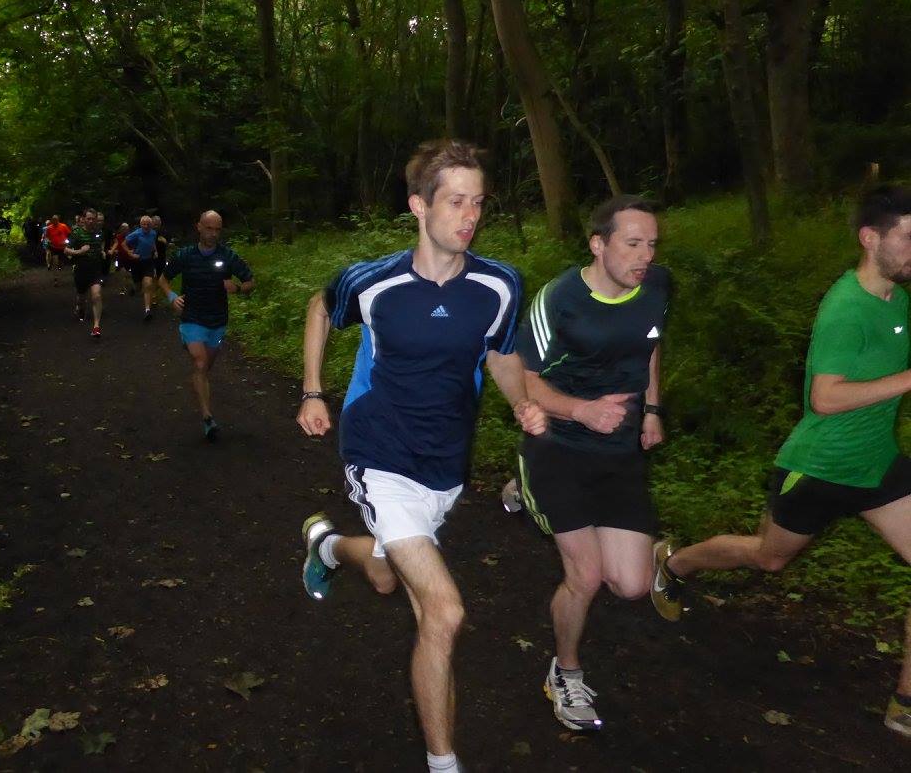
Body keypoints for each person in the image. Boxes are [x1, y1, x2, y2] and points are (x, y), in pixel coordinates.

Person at [296, 140, 546, 773]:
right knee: (444, 609)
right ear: (418, 205)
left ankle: (329, 547)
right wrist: (313, 391)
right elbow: (321, 306)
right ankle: (443, 763)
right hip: (378, 451)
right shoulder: (374, 282)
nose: (470, 216)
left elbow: (500, 352)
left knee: (386, 577)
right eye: (456, 202)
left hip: (445, 465)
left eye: (478, 203)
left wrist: (522, 401)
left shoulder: (498, 284)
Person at [651, 185, 911, 739]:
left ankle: (906, 701)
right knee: (769, 558)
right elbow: (825, 398)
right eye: (909, 237)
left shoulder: (897, 299)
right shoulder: (846, 308)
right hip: (819, 467)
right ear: (871, 238)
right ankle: (675, 563)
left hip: (876, 464)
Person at [513, 194, 669, 733]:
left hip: (619, 453)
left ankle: (517, 489)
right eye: (633, 244)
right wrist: (582, 411)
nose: (645, 256)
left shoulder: (656, 286)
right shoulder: (559, 299)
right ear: (598, 245)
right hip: (557, 446)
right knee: (586, 576)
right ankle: (566, 671)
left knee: (631, 585)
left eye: (652, 244)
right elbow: (524, 381)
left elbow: (651, 344)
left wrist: (652, 409)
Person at [156, 210, 254, 441]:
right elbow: (163, 278)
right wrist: (172, 297)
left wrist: (238, 288)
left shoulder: (228, 256)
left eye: (217, 230)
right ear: (198, 227)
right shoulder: (185, 255)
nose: (213, 234)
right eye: (209, 228)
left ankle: (199, 385)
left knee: (204, 368)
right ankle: (207, 417)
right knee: (200, 362)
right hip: (191, 317)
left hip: (217, 321)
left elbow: (251, 282)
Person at [65, 209, 106, 338]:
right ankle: (80, 308)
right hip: (81, 269)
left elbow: (100, 245)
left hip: (95, 270)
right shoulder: (76, 233)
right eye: (88, 218)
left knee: (96, 295)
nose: (91, 221)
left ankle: (96, 326)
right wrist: (80, 252)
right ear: (83, 219)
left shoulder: (99, 232)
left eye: (93, 219)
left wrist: (102, 252)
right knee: (81, 297)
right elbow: (66, 250)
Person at [125, 215, 159, 320]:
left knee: (148, 284)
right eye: (144, 224)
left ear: (151, 225)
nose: (146, 226)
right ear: (140, 225)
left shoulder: (153, 233)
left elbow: (152, 242)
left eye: (148, 224)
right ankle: (134, 288)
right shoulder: (136, 234)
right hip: (137, 262)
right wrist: (130, 253)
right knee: (139, 287)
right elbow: (123, 243)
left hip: (148, 261)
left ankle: (147, 310)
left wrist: (155, 250)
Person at [44, 215, 71, 280]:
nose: (55, 221)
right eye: (53, 220)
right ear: (52, 220)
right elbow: (46, 236)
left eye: (56, 220)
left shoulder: (63, 226)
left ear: (58, 220)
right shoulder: (49, 228)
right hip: (54, 247)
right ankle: (55, 277)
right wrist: (48, 240)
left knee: (61, 262)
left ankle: (61, 265)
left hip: (62, 247)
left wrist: (67, 241)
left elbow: (69, 234)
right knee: (55, 261)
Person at [152, 215, 169, 306]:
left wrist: (164, 241)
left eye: (157, 223)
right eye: (154, 223)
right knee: (153, 277)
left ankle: (157, 294)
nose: (156, 225)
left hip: (162, 257)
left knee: (161, 277)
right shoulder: (149, 232)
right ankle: (153, 296)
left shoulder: (163, 232)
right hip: (152, 258)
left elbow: (167, 242)